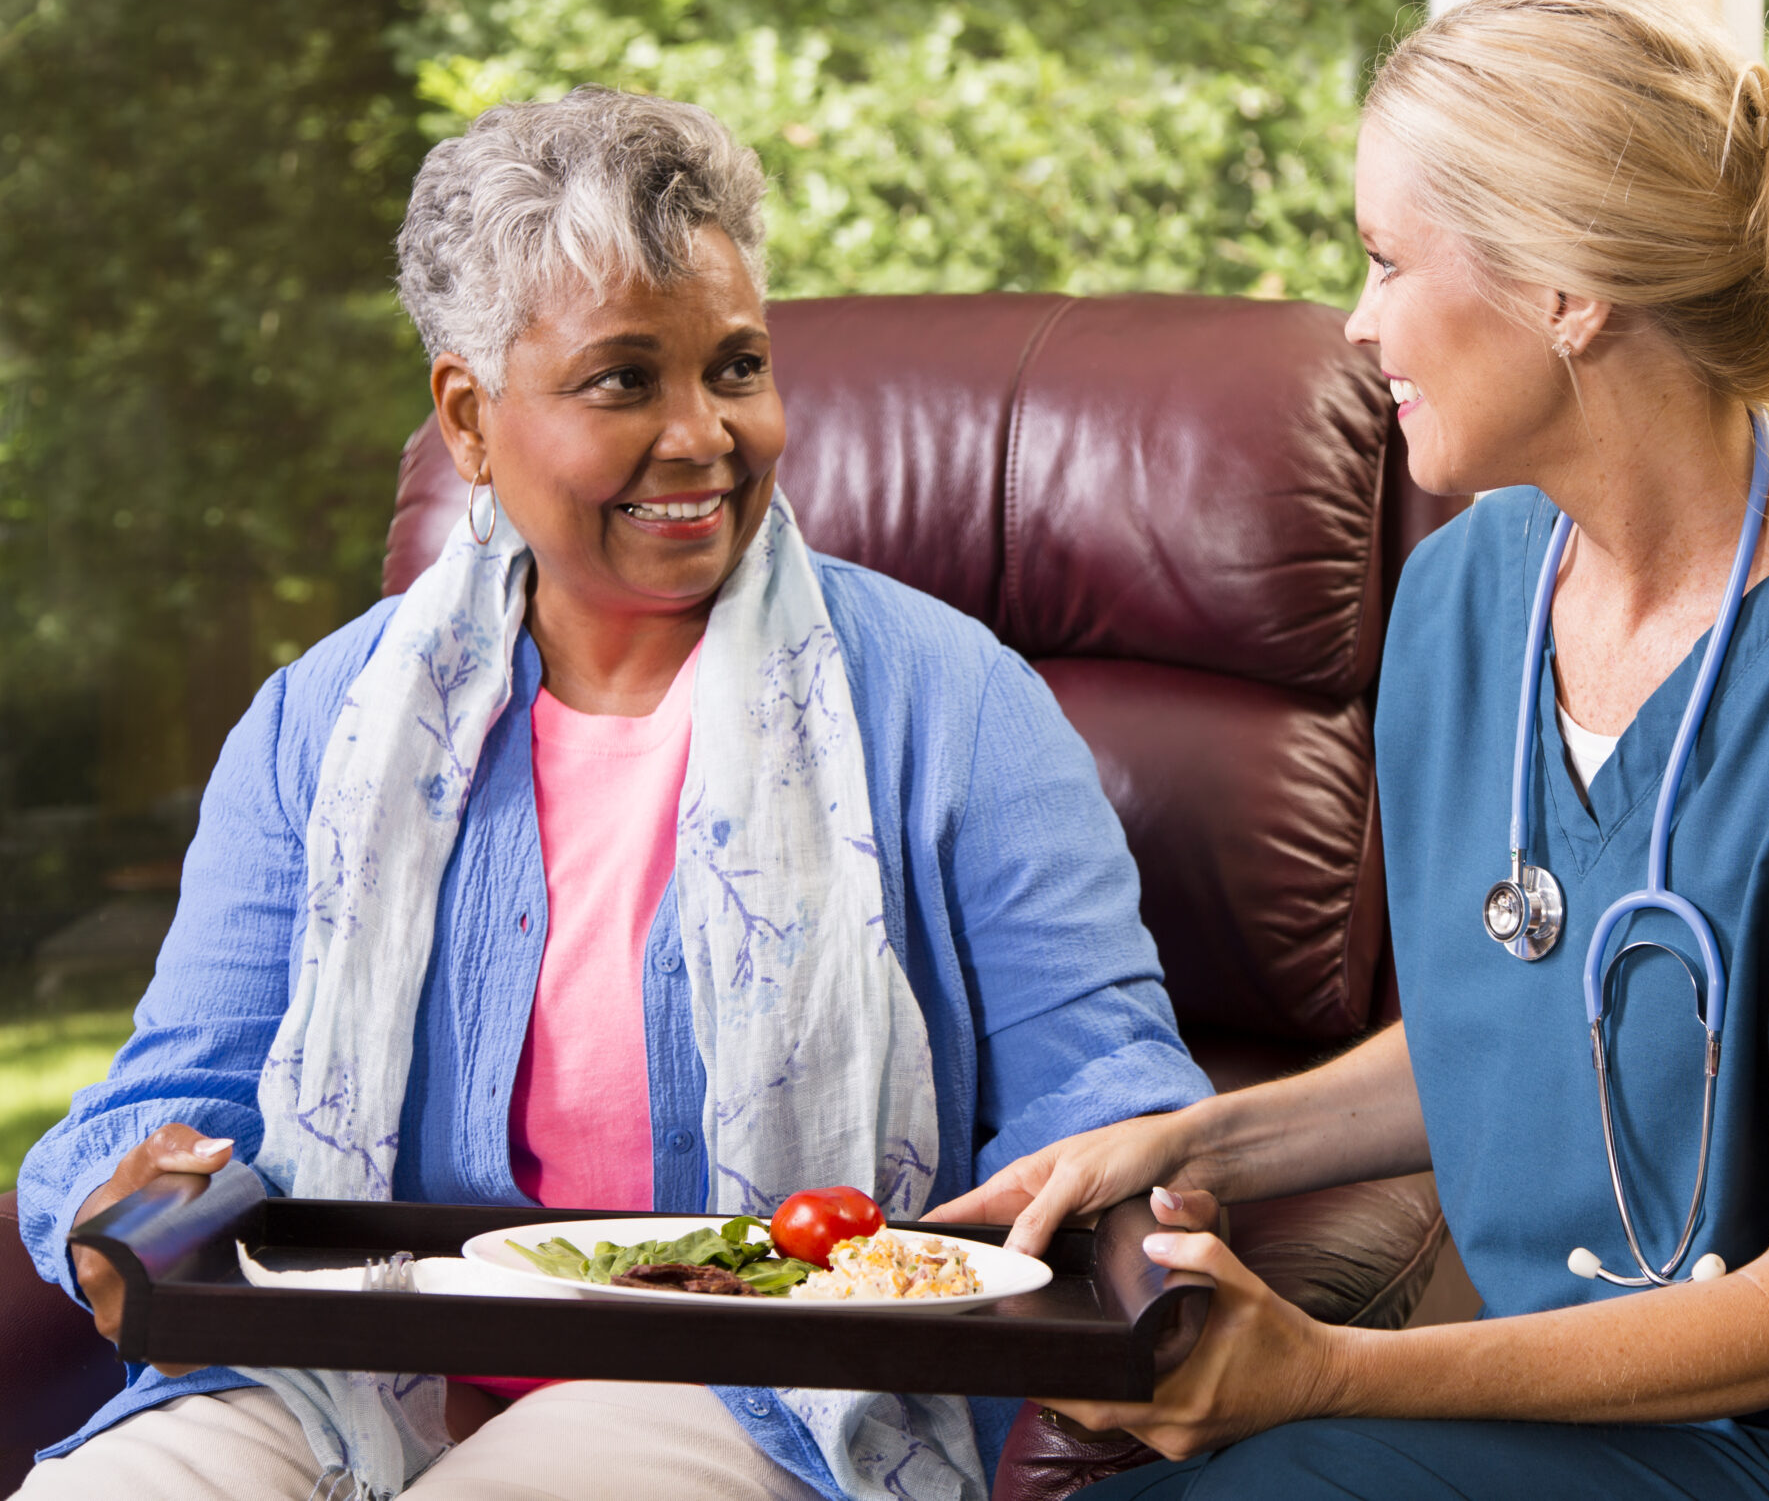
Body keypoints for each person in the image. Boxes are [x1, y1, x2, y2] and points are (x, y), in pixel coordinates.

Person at [930, 0, 1769, 1500]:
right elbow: (1524, 1036)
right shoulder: (1468, 599)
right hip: (1610, 1437)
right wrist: (1200, 1143)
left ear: (1570, 291)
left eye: (1385, 261)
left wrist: (1333, 1375)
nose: (1359, 321)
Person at [15, 86, 1210, 1501]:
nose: (705, 435)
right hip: (333, 1370)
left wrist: (1143, 1204)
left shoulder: (954, 706)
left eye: (739, 367)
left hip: (752, 1386)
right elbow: (180, 1095)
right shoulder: (319, 727)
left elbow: (1105, 1092)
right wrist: (124, 1193)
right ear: (468, 415)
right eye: (625, 380)